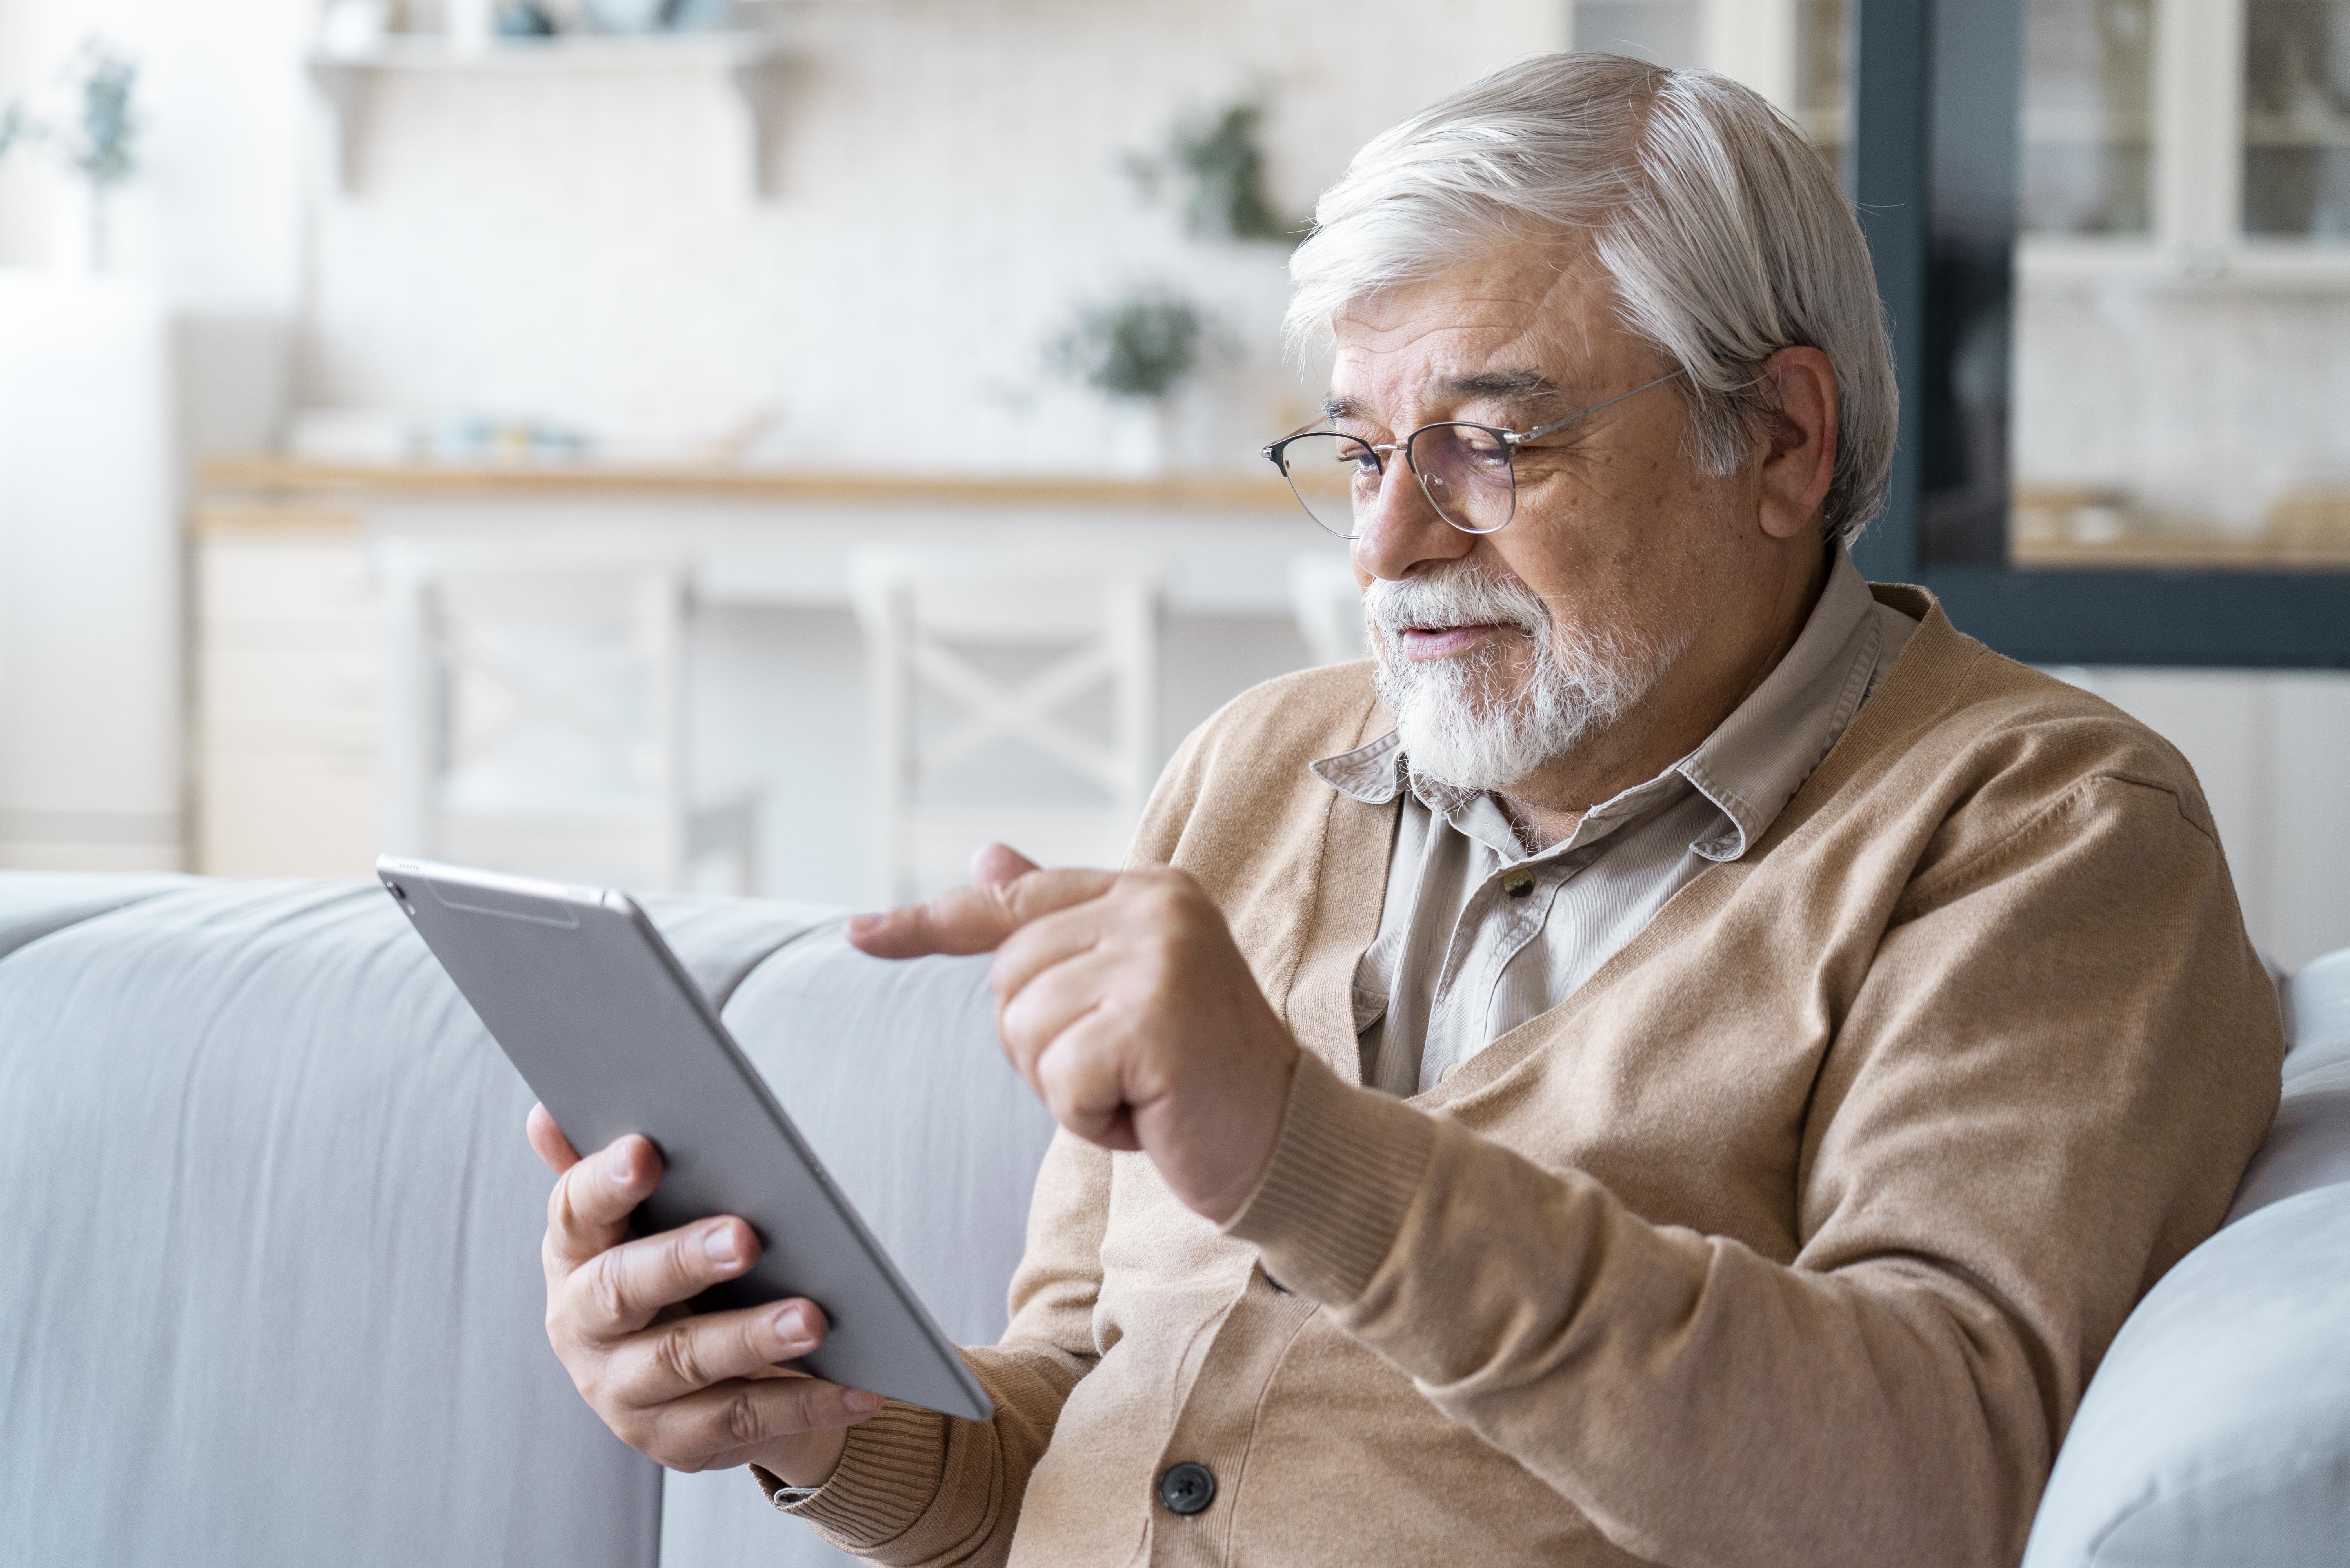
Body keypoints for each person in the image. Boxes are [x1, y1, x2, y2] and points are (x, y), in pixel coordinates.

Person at [523, 53, 2281, 1568]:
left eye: (1487, 446)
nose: (1385, 547)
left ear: (1781, 440)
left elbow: (1938, 1487)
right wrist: (816, 1417)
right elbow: (1063, 1438)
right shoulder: (1248, 771)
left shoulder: (2041, 828)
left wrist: (1296, 1143)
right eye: (1362, 455)